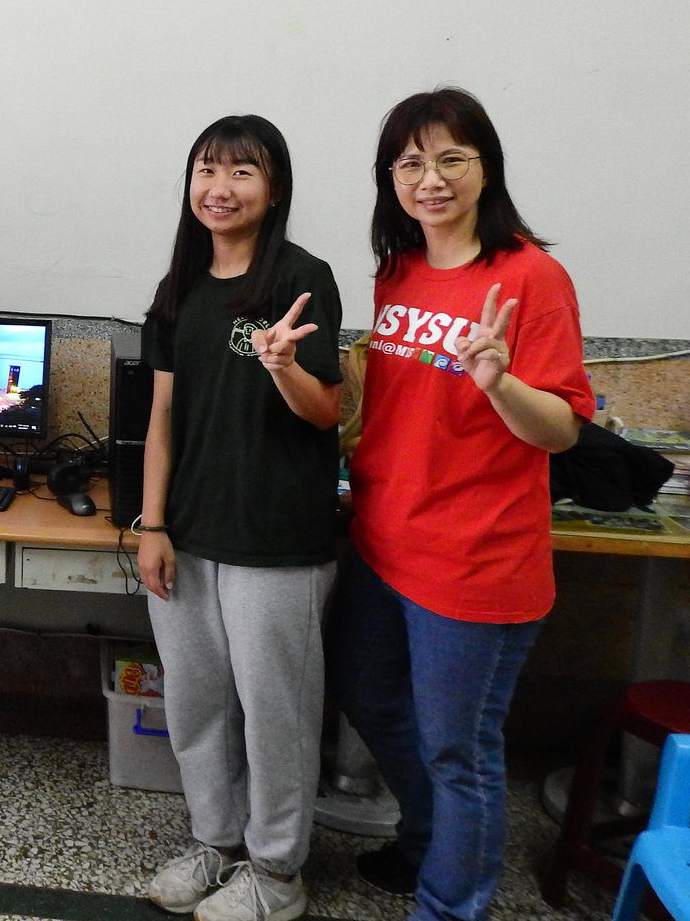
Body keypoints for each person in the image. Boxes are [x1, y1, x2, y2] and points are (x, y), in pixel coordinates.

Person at [328, 88, 591, 921]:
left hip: (475, 559)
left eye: (451, 159)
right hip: (382, 537)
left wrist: (501, 382)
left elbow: (561, 430)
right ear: (390, 179)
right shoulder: (398, 268)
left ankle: (450, 904)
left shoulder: (529, 276)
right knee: (367, 695)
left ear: (486, 167)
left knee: (459, 750)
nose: (430, 178)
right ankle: (429, 837)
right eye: (411, 163)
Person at [135, 116, 343, 921]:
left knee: (276, 711)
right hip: (188, 531)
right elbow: (161, 418)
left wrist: (284, 365)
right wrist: (152, 525)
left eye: (242, 173)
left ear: (275, 187)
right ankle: (216, 843)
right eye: (206, 170)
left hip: (274, 539)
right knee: (195, 704)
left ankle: (278, 871)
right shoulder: (179, 287)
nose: (219, 188)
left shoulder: (302, 278)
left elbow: (325, 411)